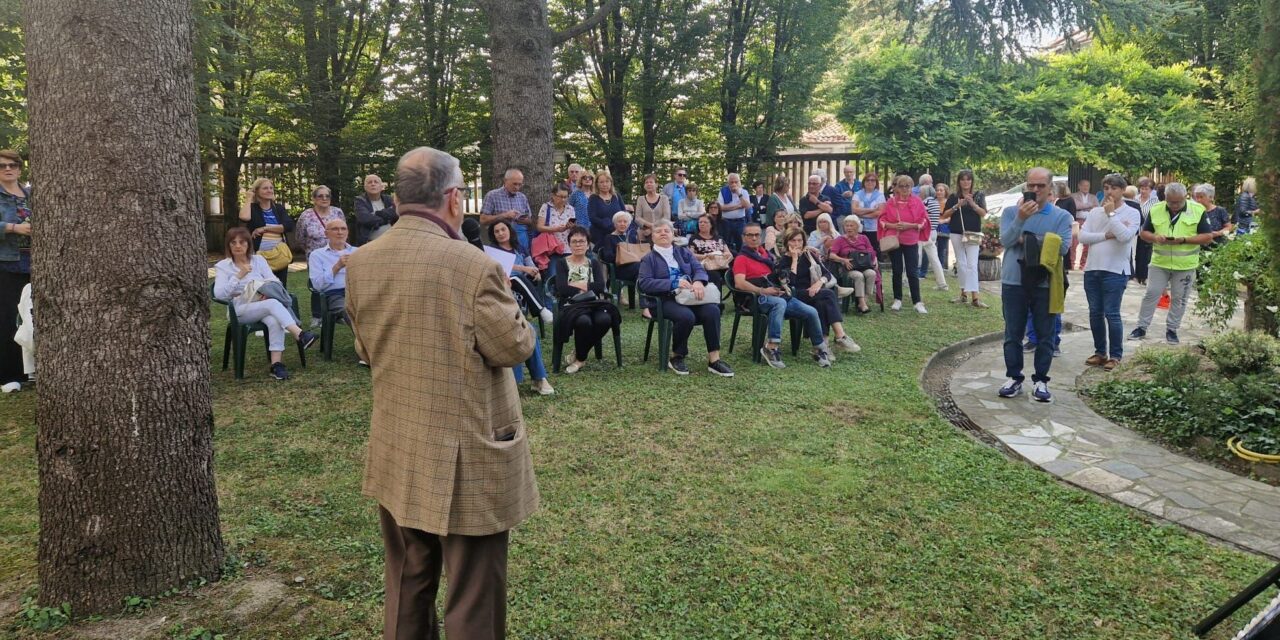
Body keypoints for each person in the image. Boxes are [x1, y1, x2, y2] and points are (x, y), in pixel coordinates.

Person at [344, 147, 538, 640]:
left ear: (398, 196)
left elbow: (366, 349)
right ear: (453, 199)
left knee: (408, 578)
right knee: (474, 594)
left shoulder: (362, 262)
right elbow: (514, 346)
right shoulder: (473, 265)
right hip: (469, 449)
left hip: (397, 441)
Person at [997, 167, 1073, 403]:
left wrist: (1027, 239)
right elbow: (1006, 241)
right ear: (1025, 187)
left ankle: (1041, 379)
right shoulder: (1011, 212)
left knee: (1045, 334)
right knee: (1013, 333)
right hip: (1014, 280)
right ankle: (1014, 377)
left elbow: (1062, 247)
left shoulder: (1061, 216)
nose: (1036, 190)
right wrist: (1021, 220)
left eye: (1041, 186)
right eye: (1031, 186)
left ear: (1050, 188)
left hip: (1045, 281)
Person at [213, 227, 318, 380]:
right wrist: (239, 275)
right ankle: (300, 334)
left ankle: (276, 365)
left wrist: (262, 291)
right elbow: (219, 294)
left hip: (263, 303)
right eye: (233, 243)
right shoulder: (223, 266)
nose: (237, 246)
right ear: (228, 246)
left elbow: (274, 280)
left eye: (242, 242)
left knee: (274, 318)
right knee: (273, 304)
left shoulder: (259, 260)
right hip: (240, 310)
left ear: (248, 244)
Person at [637, 221, 734, 376]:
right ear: (652, 237)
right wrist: (673, 283)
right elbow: (645, 283)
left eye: (666, 230)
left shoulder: (683, 252)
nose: (663, 233)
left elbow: (698, 268)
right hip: (664, 300)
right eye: (658, 231)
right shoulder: (649, 259)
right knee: (686, 316)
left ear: (673, 234)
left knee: (712, 311)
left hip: (690, 297)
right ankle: (677, 356)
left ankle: (714, 360)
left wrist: (698, 281)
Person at [731, 223, 831, 368]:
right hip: (754, 298)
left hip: (777, 294)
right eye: (750, 235)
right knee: (780, 304)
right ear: (743, 238)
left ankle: (819, 349)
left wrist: (780, 286)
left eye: (757, 235)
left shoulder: (765, 254)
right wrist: (763, 291)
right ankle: (771, 347)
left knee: (811, 311)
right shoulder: (741, 258)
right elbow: (739, 283)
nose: (754, 238)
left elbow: (779, 276)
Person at [1129, 182, 1212, 346]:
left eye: (1178, 202)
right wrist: (1155, 237)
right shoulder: (1156, 209)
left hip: (1186, 264)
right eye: (1171, 201)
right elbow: (1144, 233)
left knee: (1180, 299)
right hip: (1160, 262)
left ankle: (1172, 330)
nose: (1174, 205)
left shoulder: (1197, 210)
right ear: (1165, 198)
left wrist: (1184, 240)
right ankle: (1141, 327)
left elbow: (1207, 237)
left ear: (1185, 197)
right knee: (1151, 294)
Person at [1079, 174, 1140, 371]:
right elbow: (1082, 236)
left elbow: (1124, 237)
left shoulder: (1131, 213)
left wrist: (1112, 215)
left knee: (1112, 313)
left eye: (1114, 188)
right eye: (1106, 188)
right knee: (1095, 313)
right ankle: (1100, 352)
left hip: (1115, 270)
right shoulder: (1095, 212)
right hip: (1093, 268)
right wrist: (1105, 235)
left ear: (1122, 190)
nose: (1109, 192)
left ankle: (1115, 355)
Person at [780, 229, 861, 354]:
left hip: (814, 292)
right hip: (796, 295)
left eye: (800, 240)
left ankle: (823, 346)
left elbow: (827, 274)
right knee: (828, 294)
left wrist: (819, 283)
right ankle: (840, 336)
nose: (797, 244)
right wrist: (795, 260)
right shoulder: (783, 261)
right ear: (787, 242)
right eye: (793, 240)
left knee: (822, 302)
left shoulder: (808, 255)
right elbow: (791, 283)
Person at [554, 227, 621, 373]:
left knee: (604, 320)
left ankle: (579, 357)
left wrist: (575, 285)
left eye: (582, 241)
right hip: (571, 305)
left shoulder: (593, 263)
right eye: (574, 241)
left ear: (587, 244)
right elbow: (562, 288)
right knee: (584, 321)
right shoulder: (562, 263)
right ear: (569, 244)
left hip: (593, 303)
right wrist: (587, 286)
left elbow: (600, 286)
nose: (578, 244)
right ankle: (581, 358)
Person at [0, 149, 32, 390]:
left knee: (33, 316)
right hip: (6, 263)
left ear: (20, 168)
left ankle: (30, 371)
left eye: (12, 165)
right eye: (2, 166)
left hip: (35, 263)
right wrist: (12, 227)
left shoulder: (30, 194)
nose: (8, 169)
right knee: (8, 318)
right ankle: (10, 376)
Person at [297, 185, 347, 327]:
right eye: (320, 196)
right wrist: (310, 250)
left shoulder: (337, 212)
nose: (324, 199)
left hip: (336, 254)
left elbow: (343, 230)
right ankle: (317, 315)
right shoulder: (306, 215)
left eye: (327, 196)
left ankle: (338, 313)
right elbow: (300, 236)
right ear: (313, 199)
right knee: (318, 284)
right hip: (316, 255)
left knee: (337, 281)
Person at [880, 175, 931, 314]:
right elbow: (882, 220)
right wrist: (893, 225)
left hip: (911, 240)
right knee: (896, 270)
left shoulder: (918, 202)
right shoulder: (890, 202)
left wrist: (910, 225)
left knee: (912, 271)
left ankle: (917, 301)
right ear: (896, 187)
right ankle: (897, 299)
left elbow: (924, 221)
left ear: (911, 187)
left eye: (907, 186)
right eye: (901, 186)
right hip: (894, 240)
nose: (904, 189)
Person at [490, 219, 555, 326]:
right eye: (497, 231)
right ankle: (541, 310)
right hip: (503, 282)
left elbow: (530, 264)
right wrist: (523, 269)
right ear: (493, 235)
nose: (501, 233)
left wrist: (536, 271)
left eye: (503, 229)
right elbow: (500, 267)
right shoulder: (493, 250)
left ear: (509, 230)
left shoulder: (519, 247)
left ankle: (535, 311)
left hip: (522, 281)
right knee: (517, 278)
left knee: (525, 278)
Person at [942, 169, 987, 308]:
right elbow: (944, 215)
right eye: (963, 179)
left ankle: (975, 297)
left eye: (968, 179)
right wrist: (957, 206)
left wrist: (972, 204)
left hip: (973, 233)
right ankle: (963, 294)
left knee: (972, 264)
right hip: (957, 232)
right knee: (961, 263)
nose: (965, 182)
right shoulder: (954, 196)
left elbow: (983, 213)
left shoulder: (978, 195)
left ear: (972, 181)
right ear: (959, 181)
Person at [239, 177, 296, 285]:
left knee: (280, 285)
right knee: (262, 286)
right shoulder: (252, 208)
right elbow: (244, 217)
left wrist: (265, 228)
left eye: (271, 188)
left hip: (279, 254)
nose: (269, 190)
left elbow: (288, 226)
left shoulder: (278, 208)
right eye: (265, 188)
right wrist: (248, 198)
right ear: (256, 191)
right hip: (259, 256)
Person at [307, 217, 357, 324]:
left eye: (343, 229)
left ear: (347, 232)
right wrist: (337, 267)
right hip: (335, 294)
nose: (340, 232)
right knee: (350, 311)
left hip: (358, 292)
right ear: (326, 234)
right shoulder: (317, 255)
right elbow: (317, 285)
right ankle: (366, 340)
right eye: (335, 229)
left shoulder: (357, 251)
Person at [829, 216, 879, 314]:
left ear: (857, 227)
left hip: (864, 266)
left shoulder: (863, 238)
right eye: (846, 226)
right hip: (849, 268)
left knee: (871, 273)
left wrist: (875, 260)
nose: (849, 228)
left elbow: (871, 251)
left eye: (851, 225)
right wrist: (843, 260)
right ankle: (862, 303)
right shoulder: (840, 239)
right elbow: (831, 255)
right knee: (858, 276)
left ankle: (864, 299)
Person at [480, 168, 534, 251]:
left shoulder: (522, 197)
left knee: (523, 262)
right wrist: (504, 215)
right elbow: (483, 220)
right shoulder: (492, 195)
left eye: (520, 184)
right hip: (500, 242)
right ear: (505, 181)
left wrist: (519, 218)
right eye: (514, 184)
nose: (517, 187)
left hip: (520, 241)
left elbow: (530, 221)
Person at [915, 185, 948, 291]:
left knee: (916, 257)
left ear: (924, 193)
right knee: (934, 258)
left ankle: (910, 279)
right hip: (933, 231)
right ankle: (942, 283)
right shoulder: (935, 203)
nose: (919, 194)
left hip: (924, 233)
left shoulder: (925, 203)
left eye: (920, 192)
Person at [353, 173, 397, 246]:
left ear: (381, 187)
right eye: (369, 182)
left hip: (391, 242)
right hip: (369, 243)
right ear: (365, 187)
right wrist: (387, 218)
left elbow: (395, 213)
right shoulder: (360, 200)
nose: (373, 184)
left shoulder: (389, 199)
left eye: (376, 182)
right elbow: (365, 219)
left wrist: (376, 214)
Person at [688, 215, 732, 288]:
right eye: (700, 222)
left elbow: (729, 254)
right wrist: (706, 256)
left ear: (711, 225)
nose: (702, 224)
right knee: (715, 275)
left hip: (721, 264)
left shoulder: (719, 238)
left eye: (705, 222)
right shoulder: (694, 238)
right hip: (705, 267)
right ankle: (717, 298)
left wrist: (720, 255)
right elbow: (691, 255)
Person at [588, 171, 628, 248]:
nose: (605, 184)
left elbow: (624, 213)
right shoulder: (593, 198)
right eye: (601, 182)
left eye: (607, 181)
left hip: (617, 234)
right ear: (597, 184)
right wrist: (605, 223)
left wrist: (619, 225)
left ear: (611, 183)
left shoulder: (616, 196)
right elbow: (592, 217)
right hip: (599, 235)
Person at [598, 211, 640, 284]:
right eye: (619, 221)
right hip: (618, 270)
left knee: (646, 267)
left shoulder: (631, 238)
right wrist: (624, 255)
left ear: (629, 224)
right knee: (640, 267)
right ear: (614, 224)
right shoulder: (609, 238)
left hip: (634, 267)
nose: (622, 224)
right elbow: (608, 257)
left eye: (625, 222)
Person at [851, 172, 886, 260]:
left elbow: (880, 212)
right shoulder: (857, 194)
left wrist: (863, 214)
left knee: (874, 249)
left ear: (876, 182)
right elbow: (854, 210)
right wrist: (872, 210)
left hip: (874, 228)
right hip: (859, 227)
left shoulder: (880, 195)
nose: (870, 182)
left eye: (872, 180)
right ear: (864, 182)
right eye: (867, 180)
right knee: (859, 249)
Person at [1133, 177, 1160, 284]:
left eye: (1146, 189)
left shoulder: (1155, 201)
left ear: (1151, 190)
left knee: (1146, 254)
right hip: (1135, 230)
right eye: (1142, 188)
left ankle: (1144, 276)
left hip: (1147, 231)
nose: (1143, 191)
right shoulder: (1135, 199)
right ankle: (1135, 275)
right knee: (1136, 253)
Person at [716, 173, 752, 252]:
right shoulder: (723, 191)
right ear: (728, 183)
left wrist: (739, 193)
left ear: (739, 182)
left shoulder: (744, 192)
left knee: (741, 243)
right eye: (731, 182)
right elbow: (721, 208)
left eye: (736, 182)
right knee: (726, 242)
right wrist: (738, 206)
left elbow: (747, 206)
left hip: (740, 221)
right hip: (726, 222)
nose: (734, 184)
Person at [536, 183, 576, 252]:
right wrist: (556, 229)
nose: (563, 199)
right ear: (553, 195)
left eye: (565, 197)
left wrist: (571, 226)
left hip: (567, 248)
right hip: (551, 248)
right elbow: (539, 227)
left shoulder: (570, 209)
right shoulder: (546, 207)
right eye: (560, 196)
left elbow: (573, 229)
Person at [633, 173, 671, 243]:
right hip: (644, 234)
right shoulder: (640, 199)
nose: (649, 184)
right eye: (646, 182)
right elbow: (638, 218)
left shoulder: (664, 198)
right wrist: (651, 225)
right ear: (644, 186)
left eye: (651, 182)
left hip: (661, 233)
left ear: (656, 184)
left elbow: (666, 217)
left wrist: (653, 229)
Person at [1070, 179, 1098, 270]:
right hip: (1077, 221)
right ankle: (1072, 264)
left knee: (1087, 245)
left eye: (1087, 186)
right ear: (1079, 186)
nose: (1086, 188)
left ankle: (1083, 265)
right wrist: (1089, 205)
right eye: (1084, 185)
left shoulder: (1093, 197)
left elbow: (1096, 208)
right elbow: (1076, 206)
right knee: (1074, 243)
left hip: (1089, 221)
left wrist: (1083, 206)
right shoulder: (1073, 196)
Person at [933, 182, 951, 277]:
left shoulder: (948, 203)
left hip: (944, 228)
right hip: (933, 228)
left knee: (942, 249)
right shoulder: (932, 201)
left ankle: (941, 270)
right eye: (937, 190)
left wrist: (943, 221)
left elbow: (951, 216)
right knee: (932, 248)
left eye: (941, 190)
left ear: (945, 192)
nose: (939, 192)